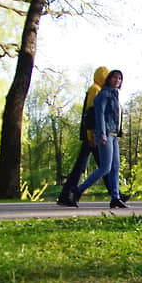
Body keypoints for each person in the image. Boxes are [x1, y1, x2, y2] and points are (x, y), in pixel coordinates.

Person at [57, 66, 123, 206]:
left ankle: (116, 197)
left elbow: (113, 115)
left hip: (111, 134)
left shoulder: (114, 94)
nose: (117, 80)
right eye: (113, 77)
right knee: (103, 167)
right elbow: (95, 114)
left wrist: (119, 130)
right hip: (100, 134)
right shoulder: (99, 91)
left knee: (113, 167)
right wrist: (94, 134)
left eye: (119, 78)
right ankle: (78, 190)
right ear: (107, 78)